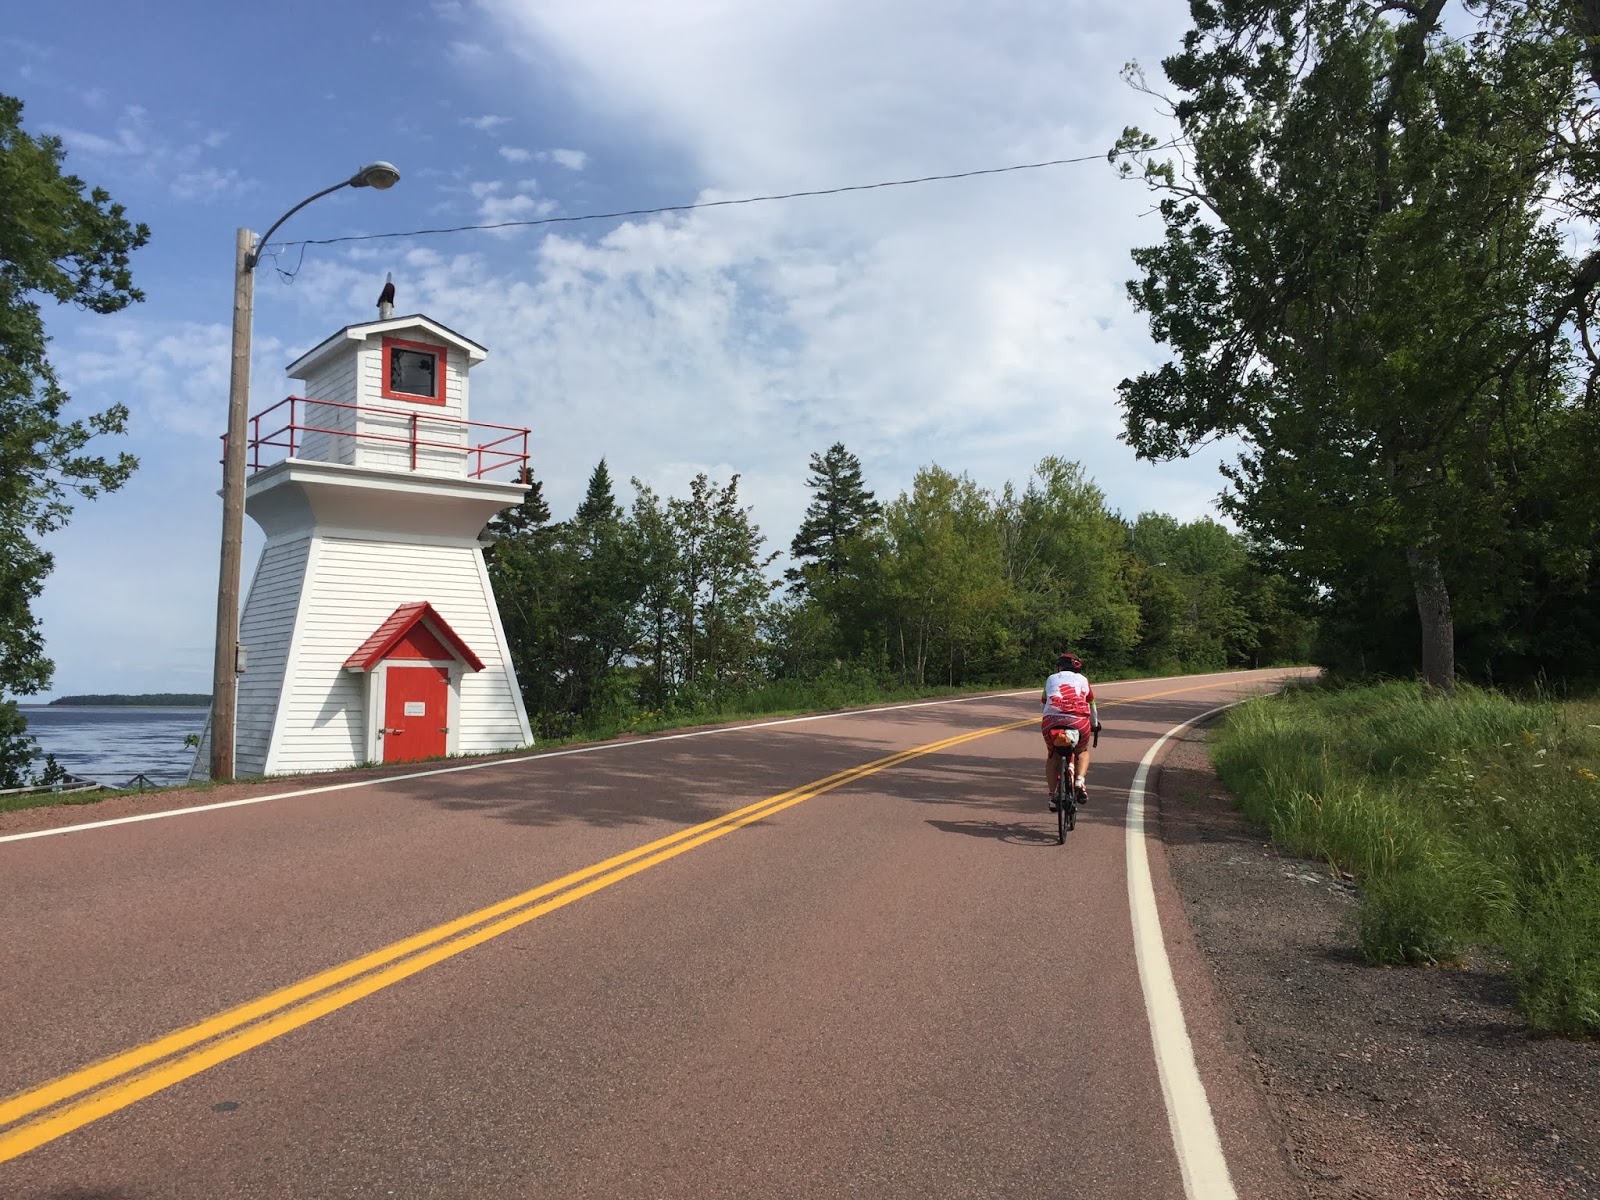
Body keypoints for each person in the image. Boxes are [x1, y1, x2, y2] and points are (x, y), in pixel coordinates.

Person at [1041, 652, 1101, 810]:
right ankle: (1080, 780)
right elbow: (1092, 705)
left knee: (1052, 755)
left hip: (1051, 721)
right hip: (1078, 722)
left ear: (1059, 667)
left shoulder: (1051, 679)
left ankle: (1053, 796)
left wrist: (1049, 716)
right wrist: (1094, 724)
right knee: (1082, 751)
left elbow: (1044, 704)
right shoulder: (1083, 680)